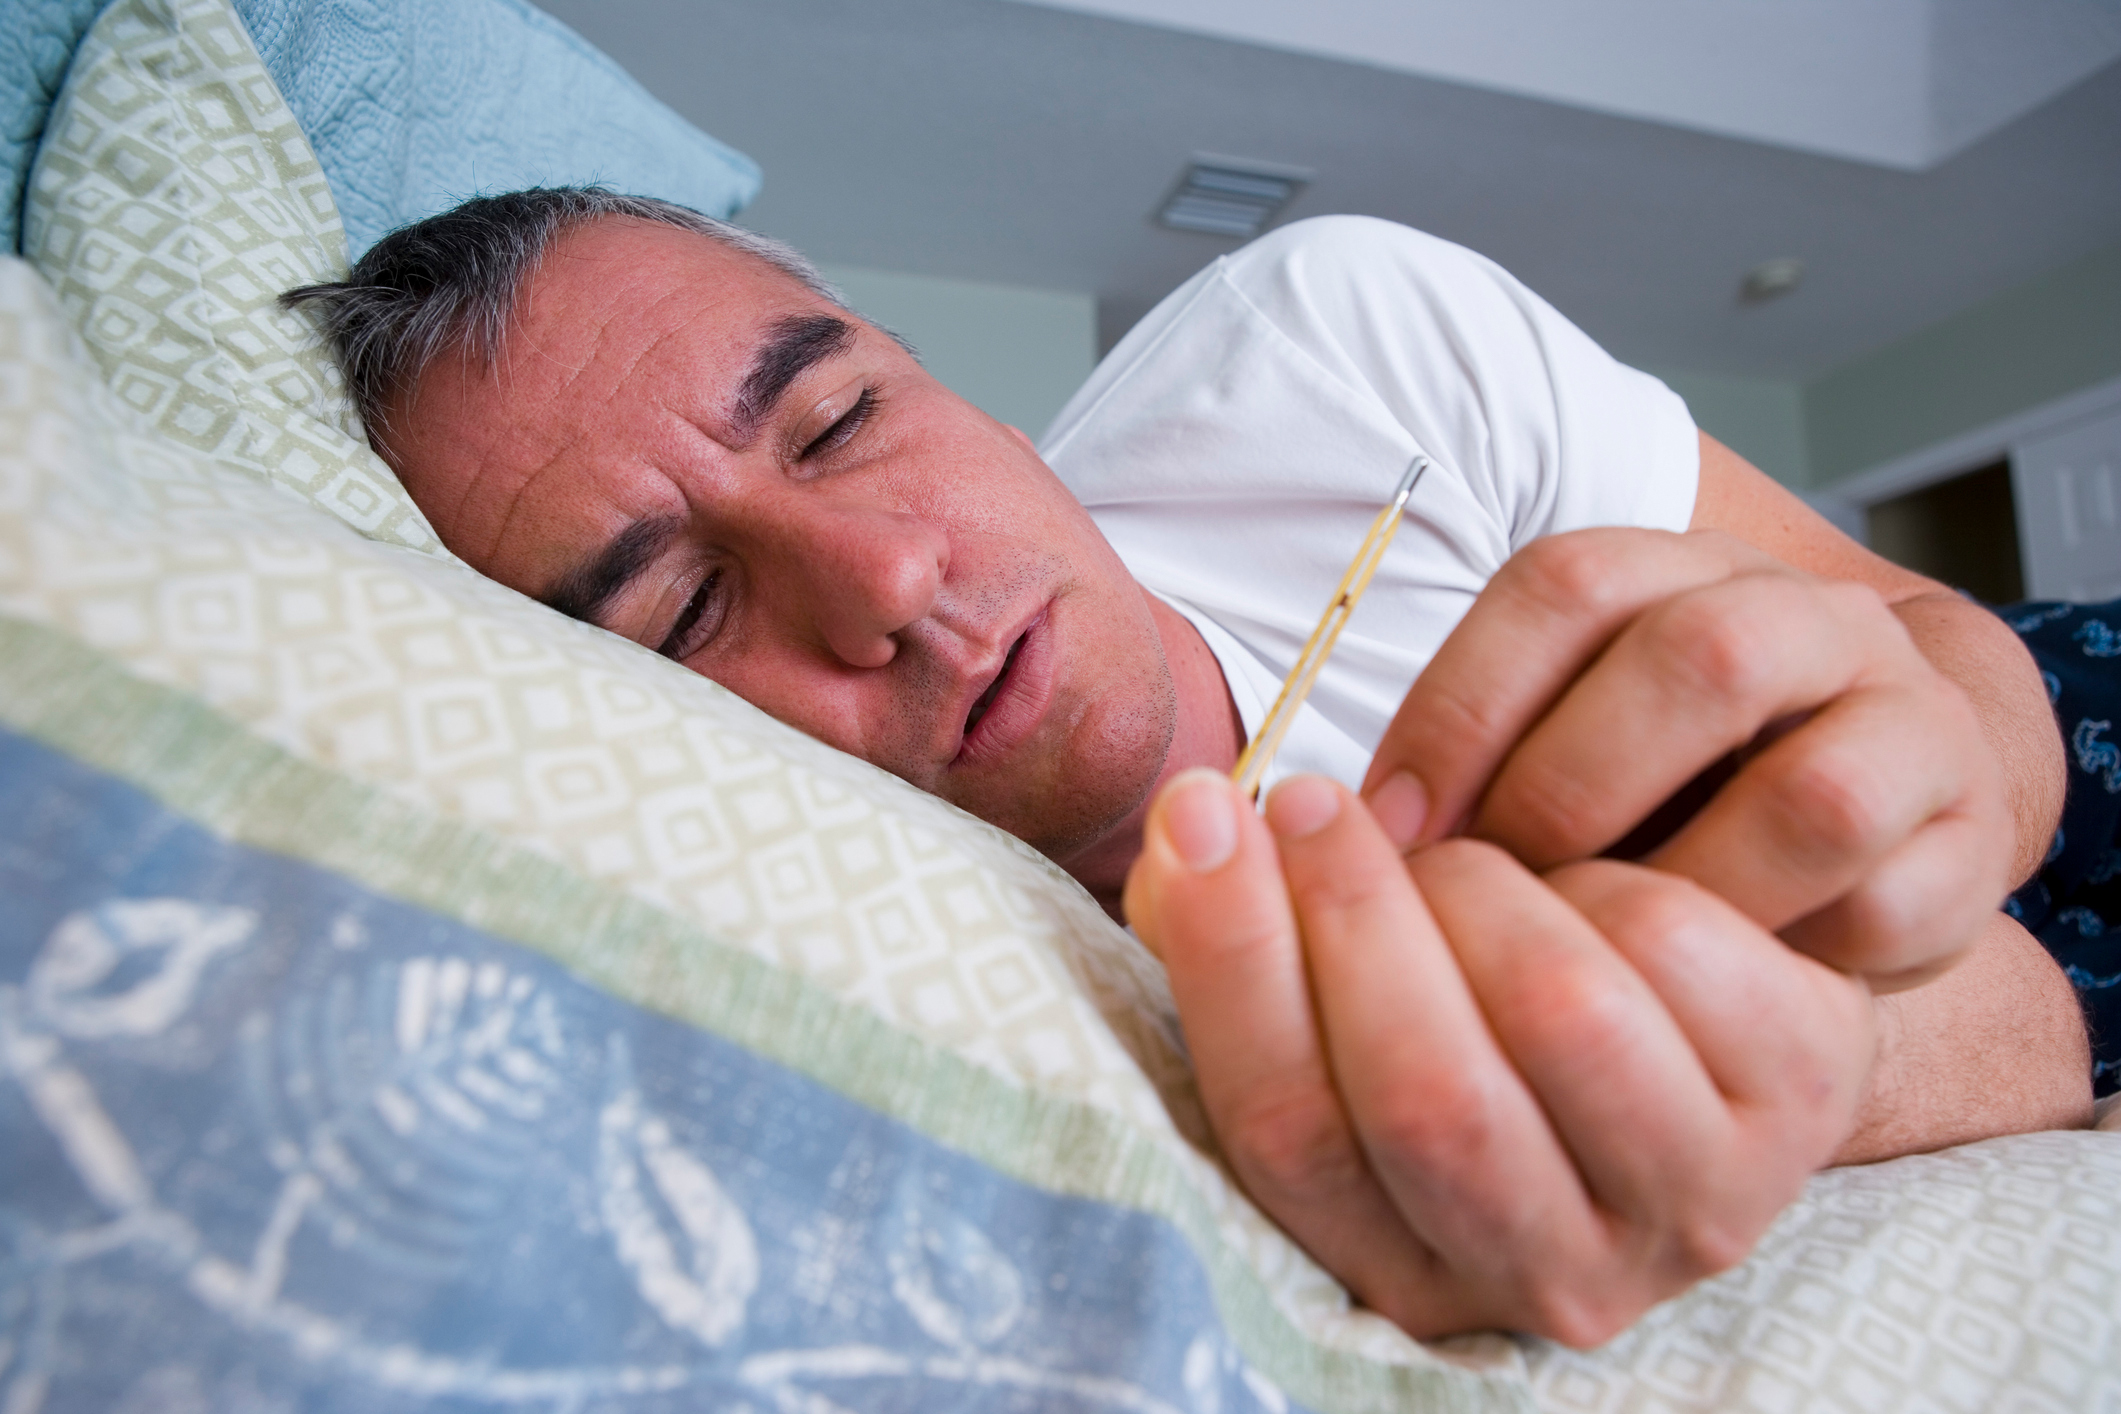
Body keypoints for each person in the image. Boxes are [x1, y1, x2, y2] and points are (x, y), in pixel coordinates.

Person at [283, 188, 2092, 1347]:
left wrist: (1960, 777)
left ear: (967, 393)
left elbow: (1915, 617)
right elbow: (2029, 1029)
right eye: (684, 615)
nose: (890, 582)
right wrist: (1839, 1040)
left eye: (840, 418)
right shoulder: (965, 1005)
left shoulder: (1335, 340)